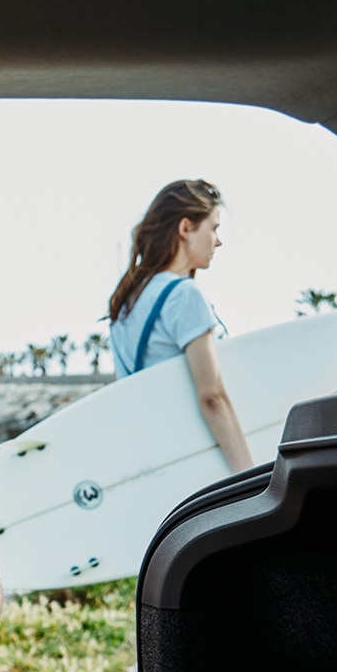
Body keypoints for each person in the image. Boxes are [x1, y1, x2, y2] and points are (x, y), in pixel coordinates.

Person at [107, 179, 255, 471]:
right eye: (213, 228)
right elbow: (212, 396)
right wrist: (248, 475)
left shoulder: (127, 300)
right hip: (200, 456)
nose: (218, 240)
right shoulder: (184, 294)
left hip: (155, 457)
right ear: (185, 228)